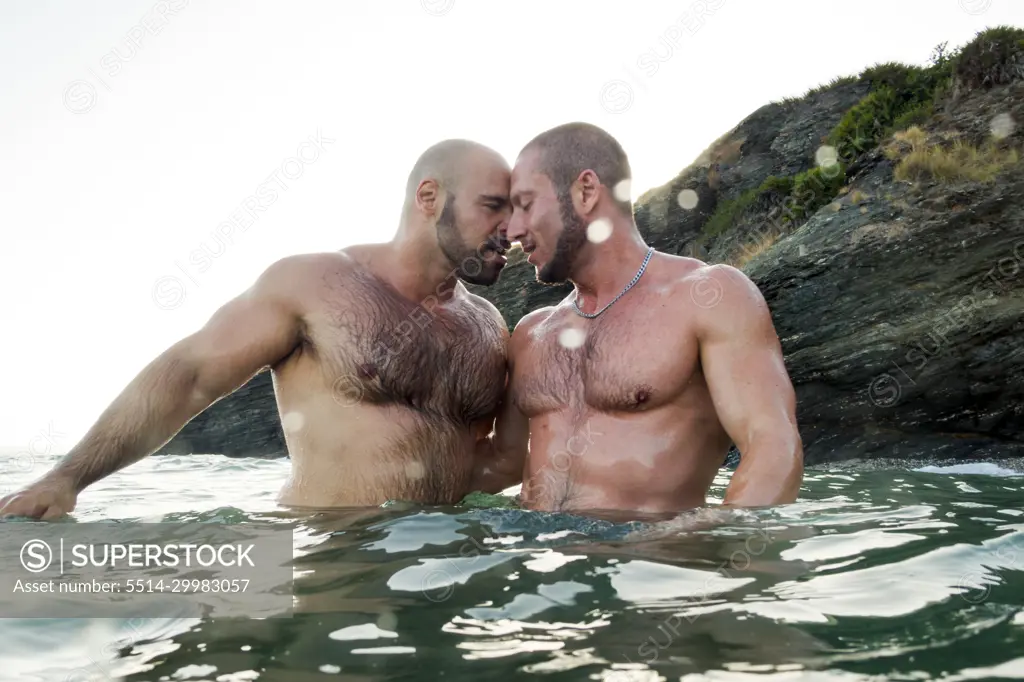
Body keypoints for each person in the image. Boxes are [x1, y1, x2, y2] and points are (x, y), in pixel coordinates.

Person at [0, 139, 514, 520]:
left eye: (514, 213)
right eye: (493, 206)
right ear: (429, 197)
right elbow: (191, 376)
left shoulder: (488, 326)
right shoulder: (316, 282)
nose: (509, 228)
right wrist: (66, 479)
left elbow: (490, 459)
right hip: (333, 560)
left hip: (448, 568)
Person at [470, 122, 803, 515]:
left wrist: (712, 536)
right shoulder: (530, 333)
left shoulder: (708, 296)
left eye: (525, 204)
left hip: (647, 564)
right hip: (538, 561)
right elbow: (498, 464)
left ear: (585, 191)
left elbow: (773, 446)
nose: (512, 230)